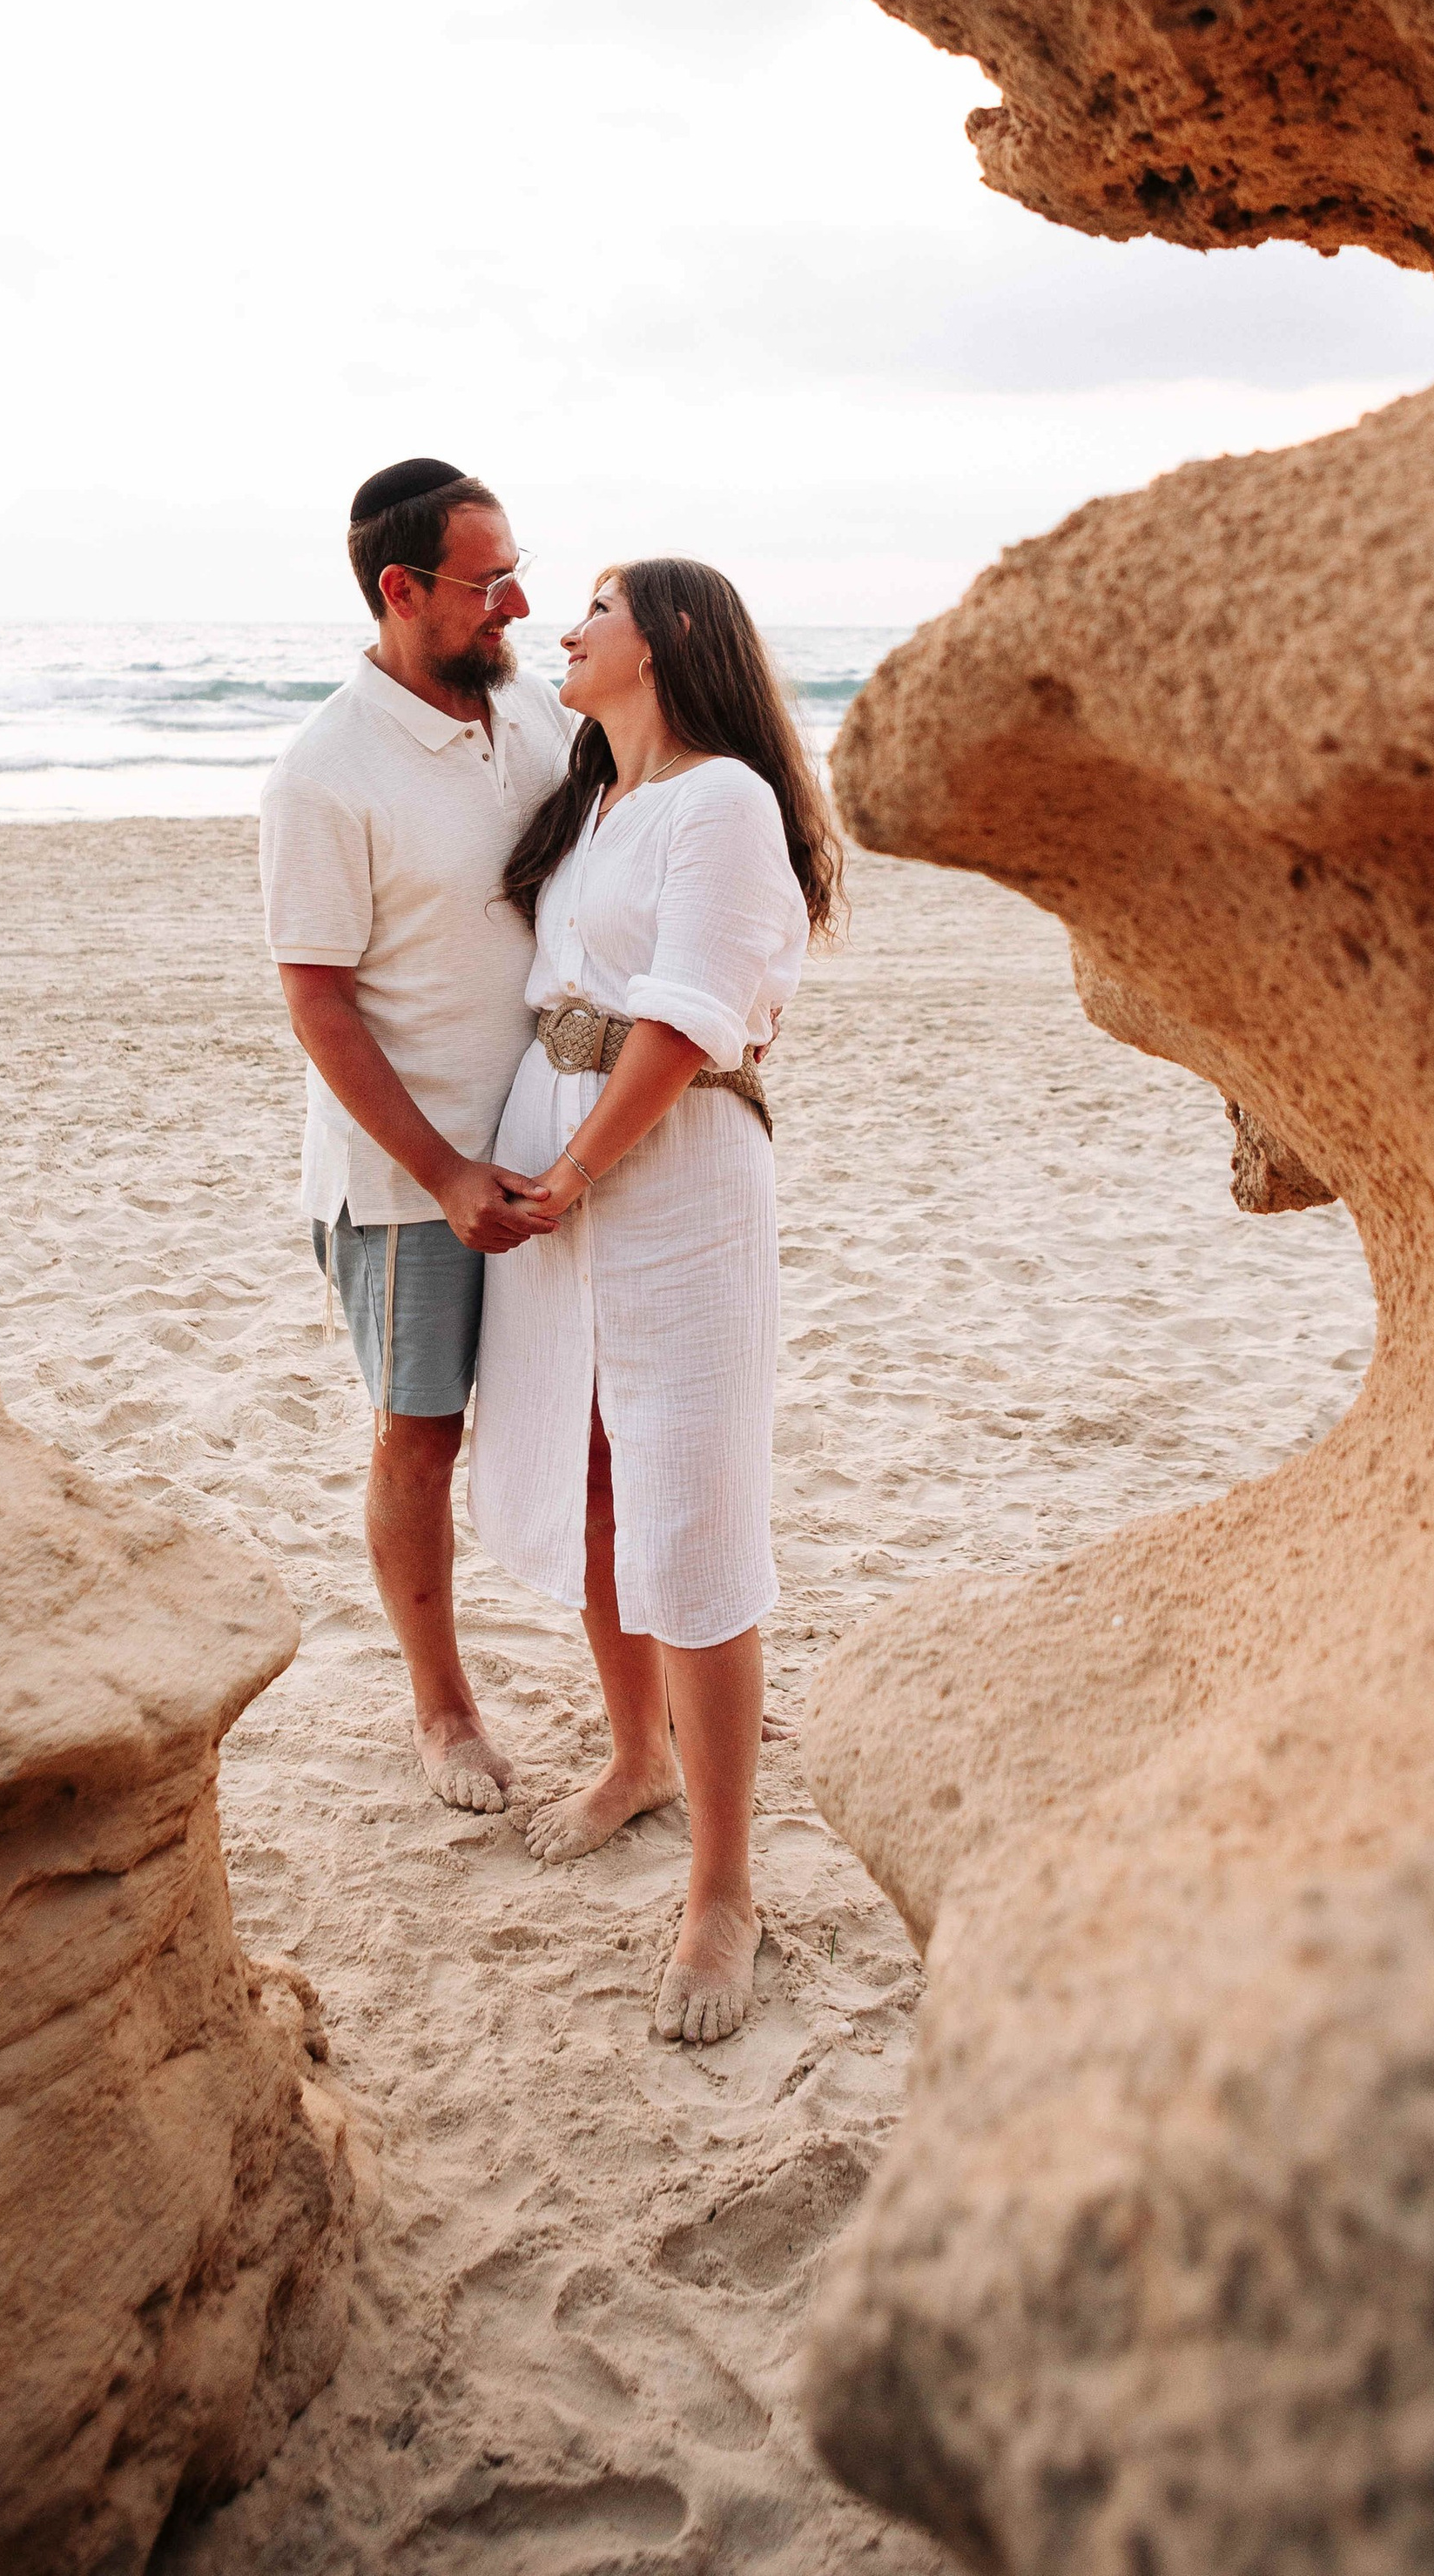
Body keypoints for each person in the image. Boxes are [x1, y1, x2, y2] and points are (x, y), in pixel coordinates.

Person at [469, 559, 841, 2044]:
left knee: (694, 1504)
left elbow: (686, 1018)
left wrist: (569, 1174)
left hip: (669, 1175)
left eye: (600, 608)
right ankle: (640, 1756)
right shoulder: (600, 801)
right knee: (598, 1466)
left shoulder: (725, 799)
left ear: (672, 638)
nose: (567, 627)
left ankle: (726, 1887)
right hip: (555, 1161)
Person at [259, 459, 573, 1813]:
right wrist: (443, 1170)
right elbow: (315, 1001)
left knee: (604, 1424)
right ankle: (442, 1710)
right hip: (409, 1180)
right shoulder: (326, 774)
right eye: (486, 579)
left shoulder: (541, 718)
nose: (517, 600)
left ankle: (662, 1688)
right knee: (420, 1436)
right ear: (402, 590)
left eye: (516, 568)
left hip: (558, 1150)